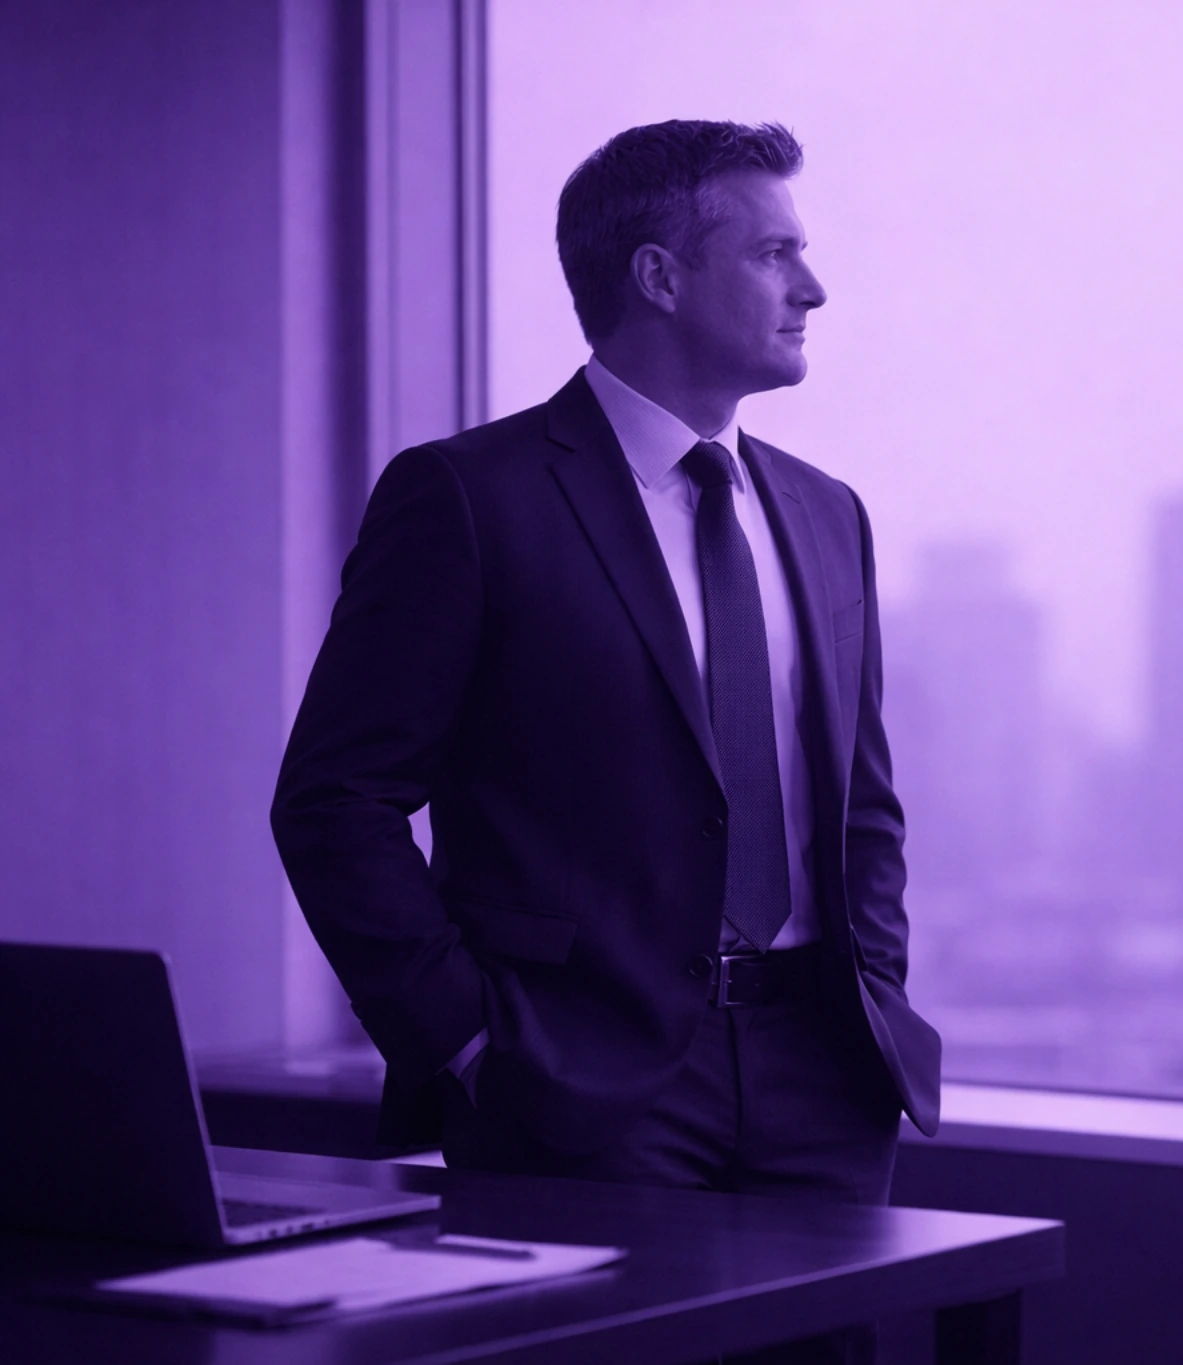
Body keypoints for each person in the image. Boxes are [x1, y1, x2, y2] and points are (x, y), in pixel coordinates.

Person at [272, 119, 938, 1363]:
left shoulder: (826, 514)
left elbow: (862, 809)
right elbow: (334, 803)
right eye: (774, 252)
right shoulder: (470, 497)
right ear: (659, 275)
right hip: (575, 1083)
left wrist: (874, 993)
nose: (814, 287)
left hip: (822, 1081)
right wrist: (468, 1039)